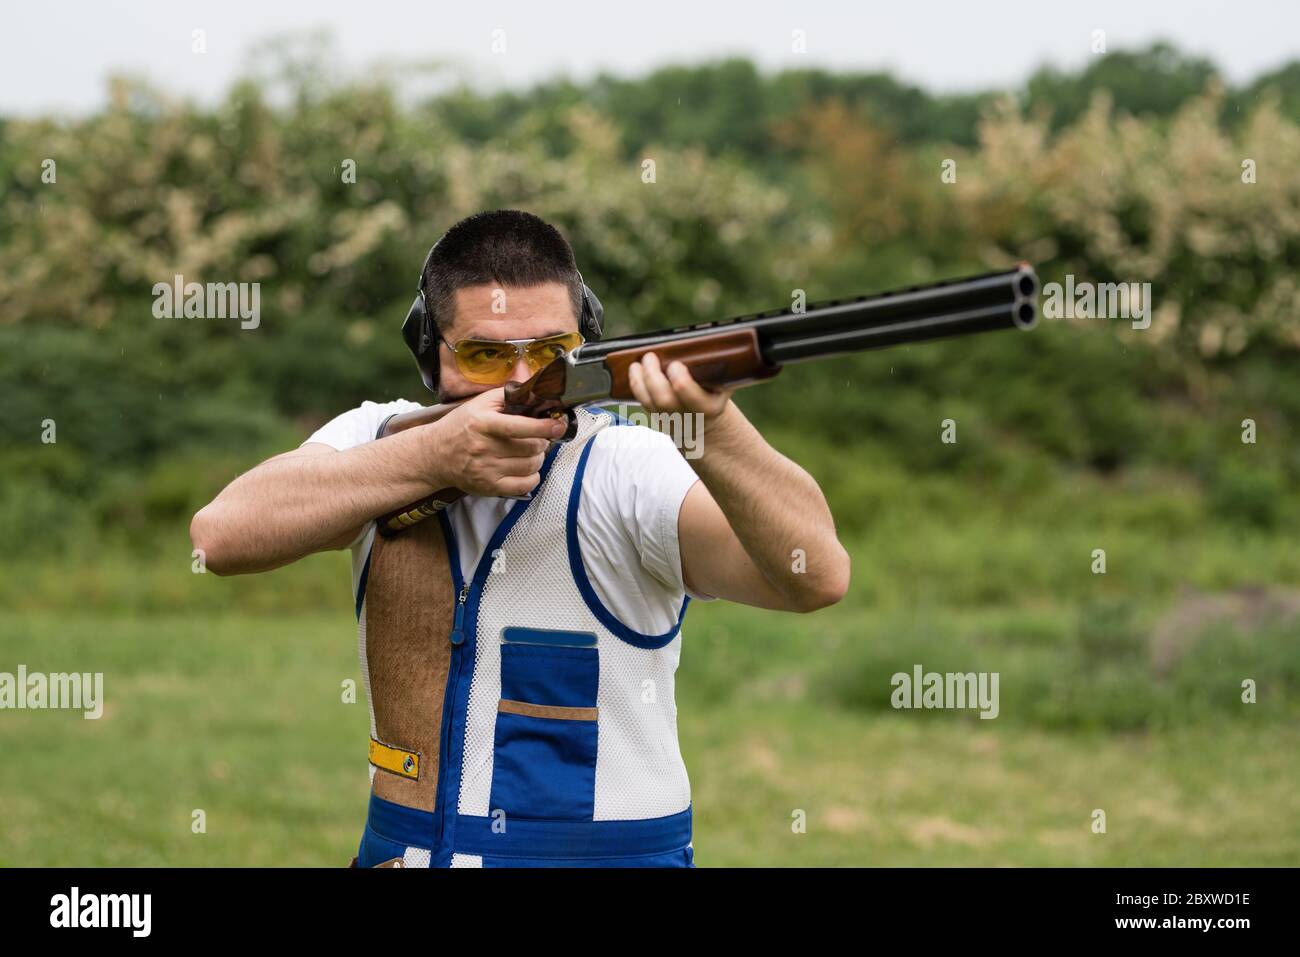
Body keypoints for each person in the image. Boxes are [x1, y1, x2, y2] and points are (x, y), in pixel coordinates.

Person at [190, 209, 850, 867]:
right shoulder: (377, 440)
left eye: (548, 353)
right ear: (430, 351)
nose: (519, 381)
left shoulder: (626, 465)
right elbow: (219, 538)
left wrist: (717, 428)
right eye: (485, 354)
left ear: (583, 343)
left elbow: (815, 574)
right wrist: (429, 459)